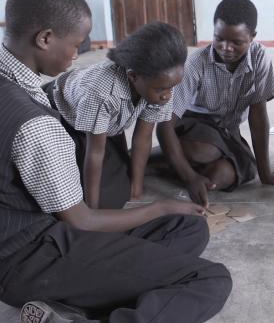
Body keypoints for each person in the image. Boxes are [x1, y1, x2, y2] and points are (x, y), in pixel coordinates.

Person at [0, 0, 231, 323]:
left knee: (187, 228)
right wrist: (158, 205)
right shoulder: (38, 124)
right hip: (28, 258)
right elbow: (80, 221)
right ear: (45, 38)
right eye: (76, 45)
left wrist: (152, 202)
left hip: (23, 239)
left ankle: (71, 304)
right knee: (208, 279)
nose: (79, 53)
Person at [157, 0, 274, 207]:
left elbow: (258, 116)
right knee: (205, 151)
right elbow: (165, 124)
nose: (225, 47)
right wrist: (189, 178)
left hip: (227, 130)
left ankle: (179, 163)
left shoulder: (260, 58)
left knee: (226, 174)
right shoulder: (196, 62)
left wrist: (265, 174)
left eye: (236, 42)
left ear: (252, 37)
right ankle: (172, 159)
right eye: (219, 38)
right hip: (194, 123)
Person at [45, 22, 187, 209]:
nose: (167, 95)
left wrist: (136, 188)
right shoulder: (101, 92)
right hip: (62, 117)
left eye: (171, 87)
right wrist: (92, 211)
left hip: (107, 125)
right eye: (161, 89)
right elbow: (95, 153)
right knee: (98, 199)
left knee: (123, 186)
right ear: (133, 76)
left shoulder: (162, 86)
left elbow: (142, 139)